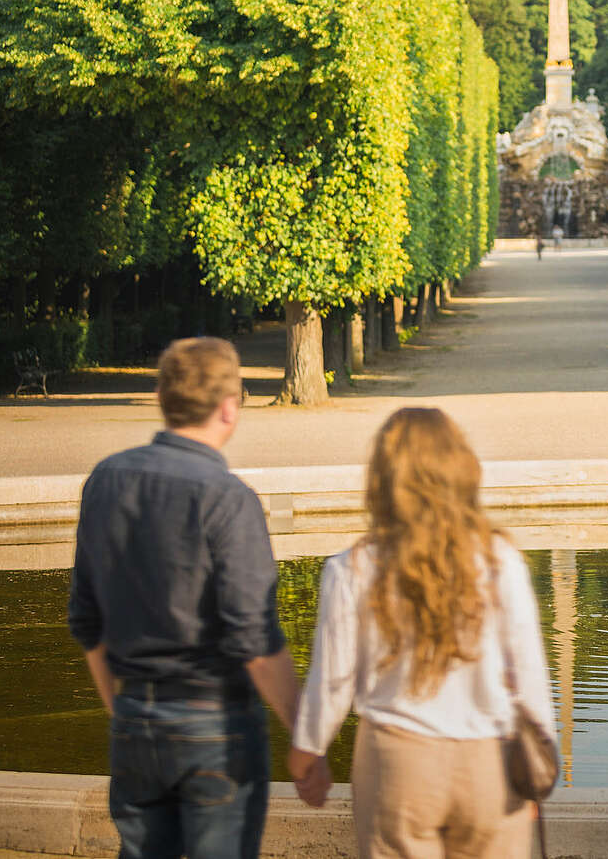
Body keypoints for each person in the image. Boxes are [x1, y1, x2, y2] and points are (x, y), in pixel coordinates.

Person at [68, 337, 326, 859]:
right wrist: (305, 738)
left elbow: (86, 618)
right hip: (217, 723)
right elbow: (254, 639)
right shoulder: (228, 499)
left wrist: (122, 709)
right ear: (229, 407)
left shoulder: (106, 480)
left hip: (137, 715)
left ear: (164, 398)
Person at [290, 408, 557, 858]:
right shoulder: (499, 561)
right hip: (489, 761)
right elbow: (530, 674)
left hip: (398, 760)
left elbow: (331, 685)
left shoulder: (353, 567)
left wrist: (306, 753)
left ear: (382, 480)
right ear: (461, 471)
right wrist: (539, 767)